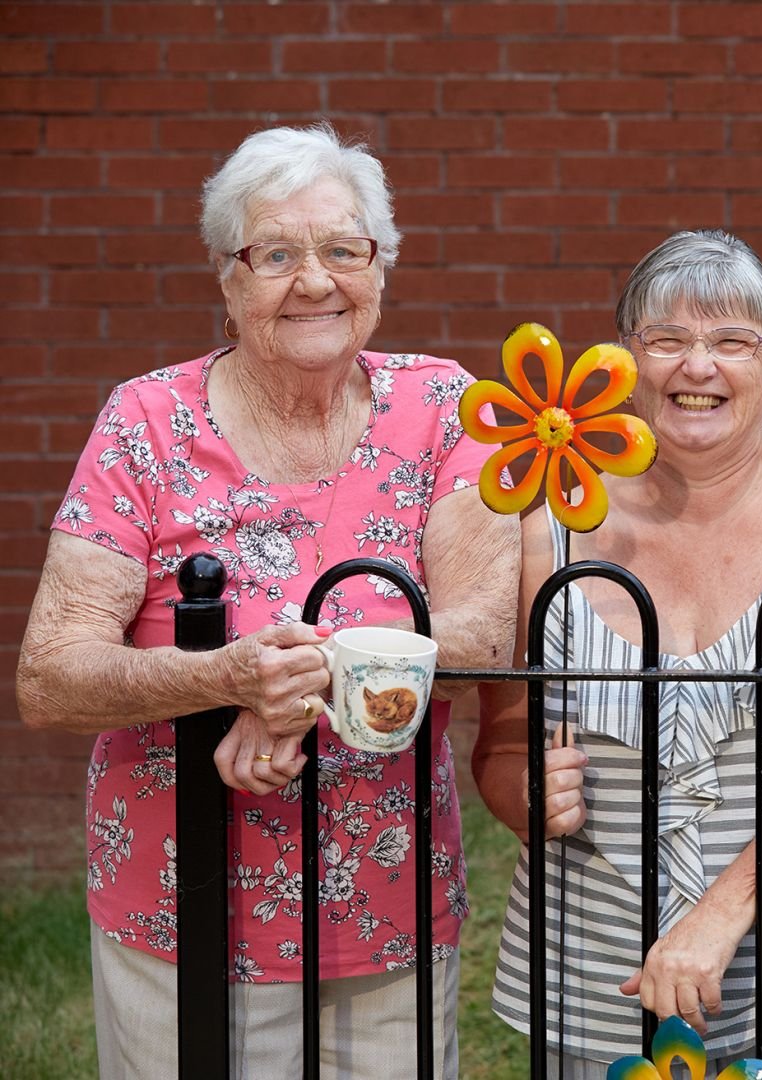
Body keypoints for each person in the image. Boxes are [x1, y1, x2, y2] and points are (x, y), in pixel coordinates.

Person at [16, 123, 517, 1079]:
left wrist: (295, 679)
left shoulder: (447, 409)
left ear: (381, 266)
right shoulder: (145, 424)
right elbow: (52, 675)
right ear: (228, 277)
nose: (315, 280)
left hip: (389, 903)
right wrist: (224, 677)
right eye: (275, 254)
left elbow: (483, 633)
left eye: (343, 249)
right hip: (181, 899)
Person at [472, 229, 762, 1078]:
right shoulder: (551, 523)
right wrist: (524, 792)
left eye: (730, 342)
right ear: (620, 363)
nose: (698, 366)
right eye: (666, 340)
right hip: (591, 971)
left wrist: (720, 919)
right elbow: (503, 739)